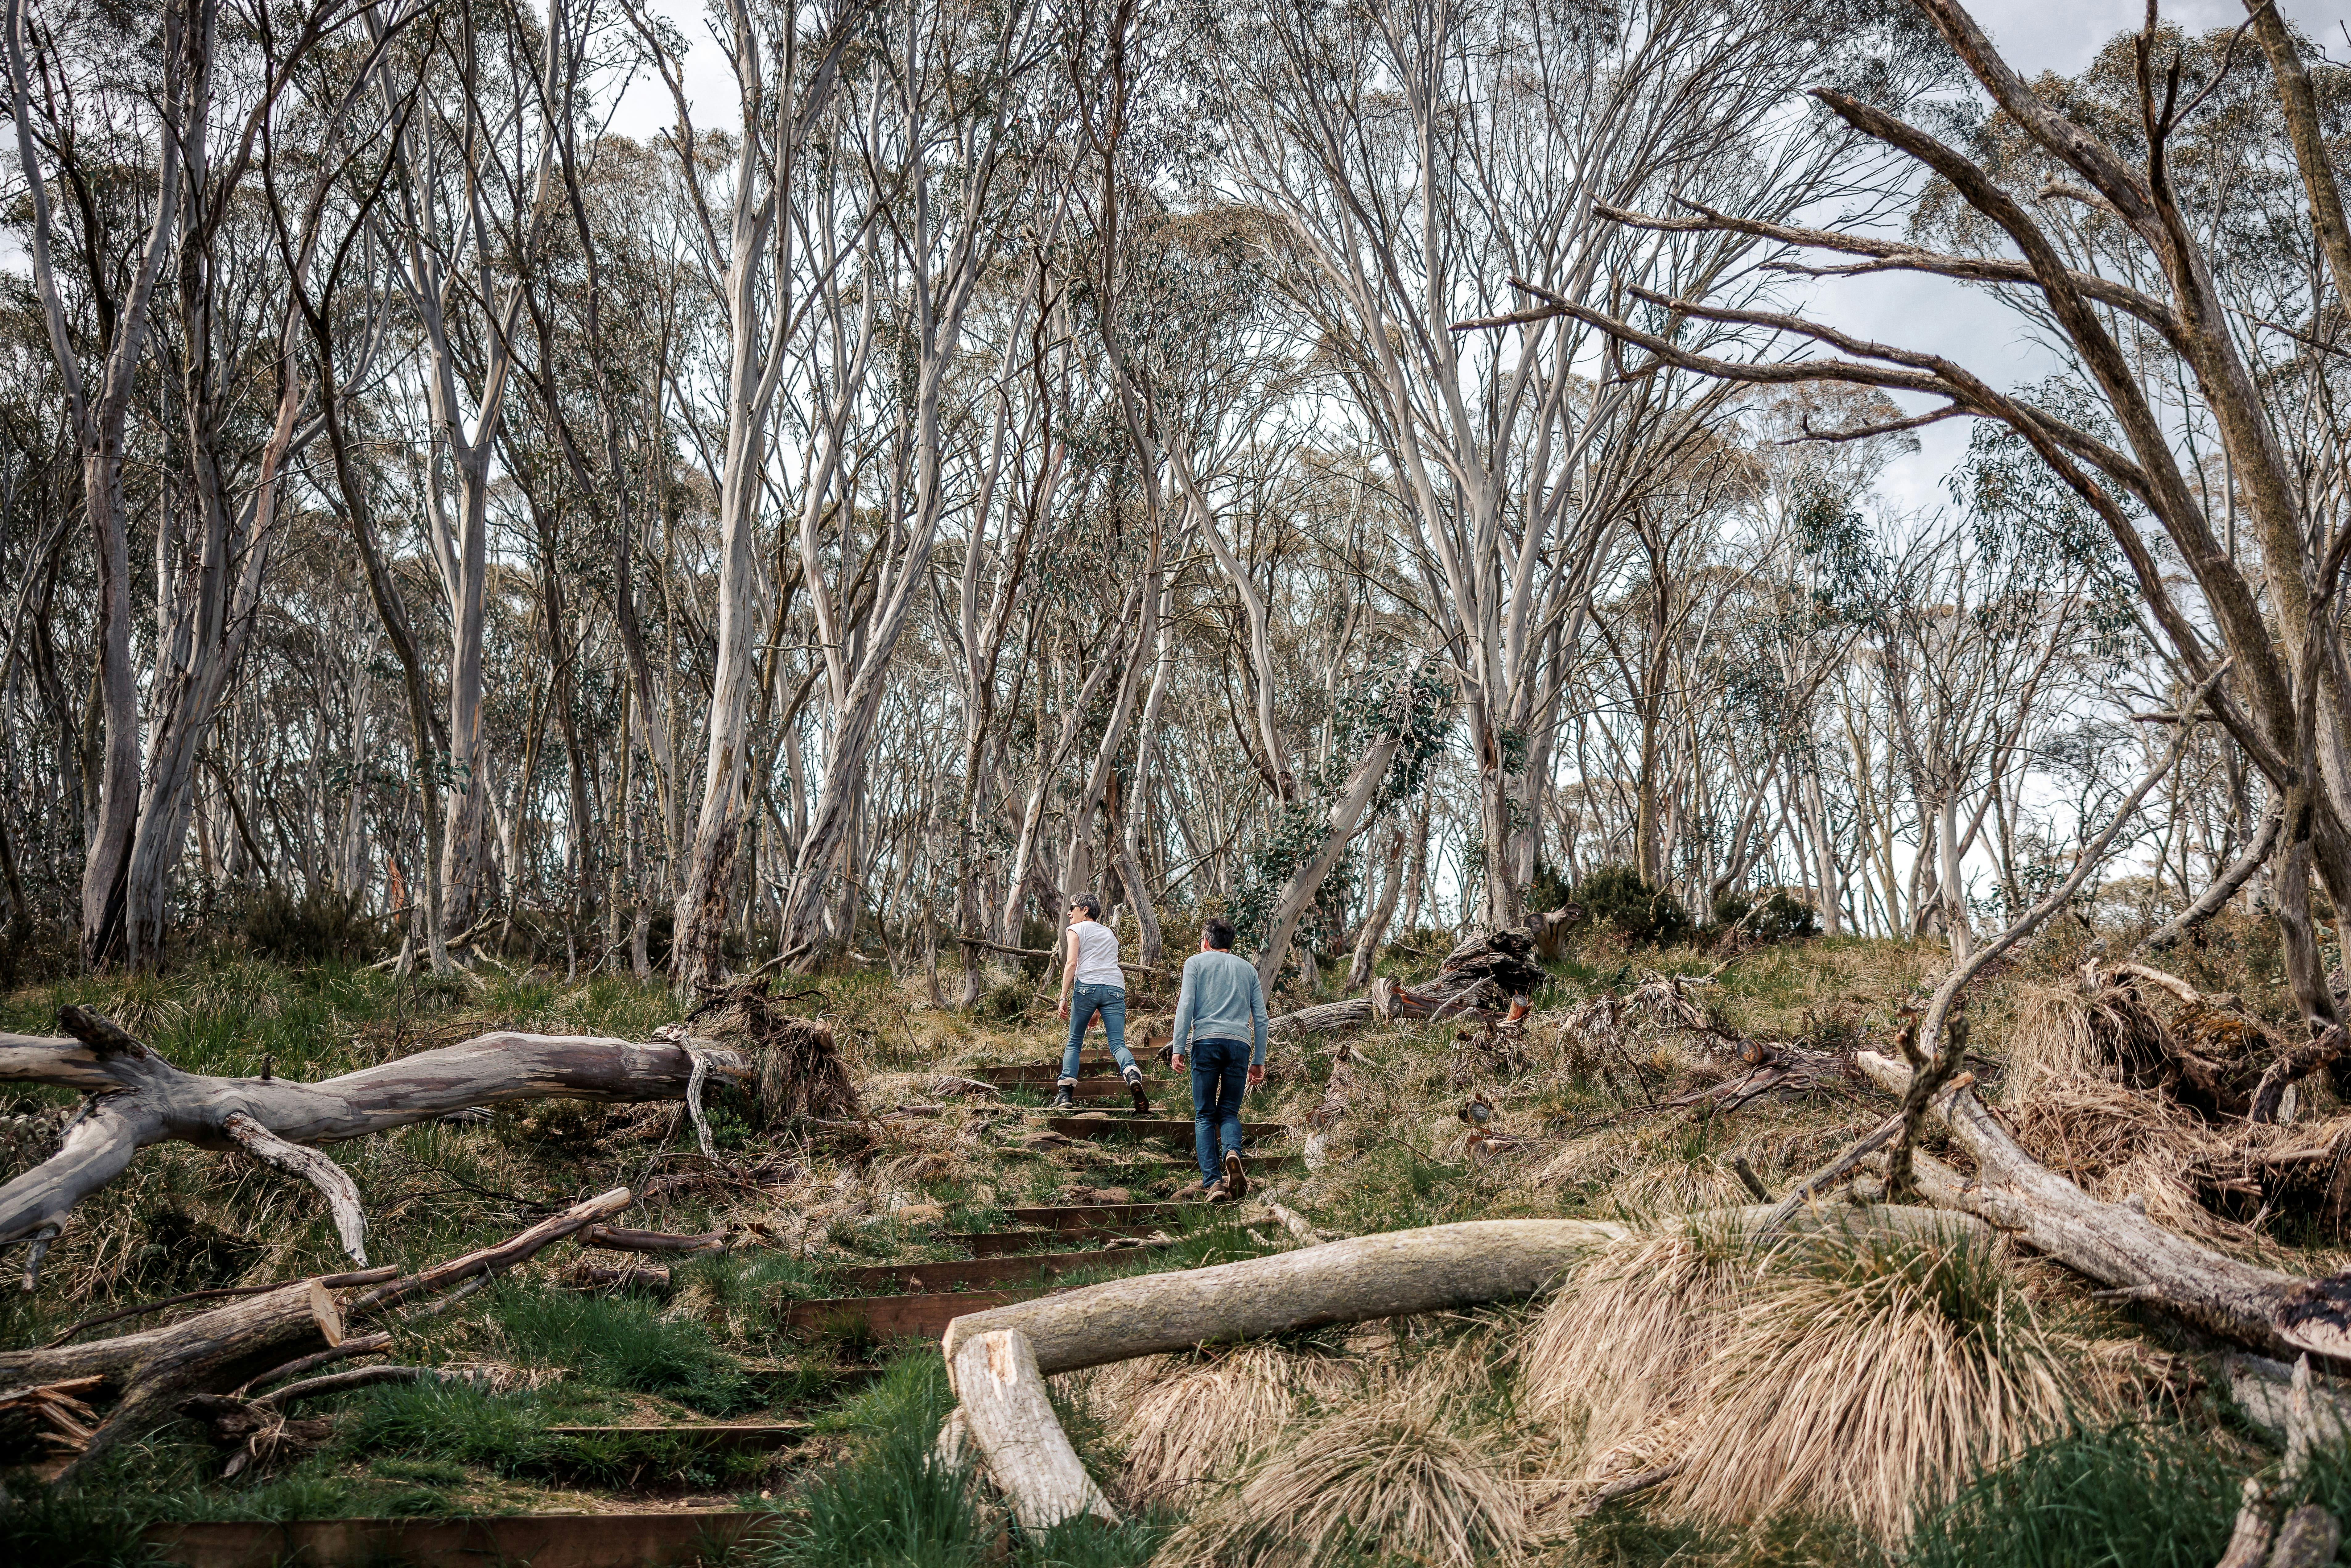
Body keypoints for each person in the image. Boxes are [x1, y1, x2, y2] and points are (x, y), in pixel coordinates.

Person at [1167, 916, 1267, 1202]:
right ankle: (1232, 1152)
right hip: (1239, 1046)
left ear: (1206, 943)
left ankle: (1213, 1183)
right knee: (1229, 1113)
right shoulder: (1248, 969)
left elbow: (1185, 1006)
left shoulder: (1196, 963)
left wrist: (1178, 1048)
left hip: (1207, 1042)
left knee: (1204, 1114)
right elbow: (1261, 1018)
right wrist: (1258, 1060)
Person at [1056, 893, 1148, 1112]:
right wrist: (1097, 1008)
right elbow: (1105, 968)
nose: (1069, 913)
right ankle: (1132, 1073)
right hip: (1115, 989)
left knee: (1074, 1043)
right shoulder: (1110, 933)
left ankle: (1065, 1096)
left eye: (1073, 908)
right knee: (1117, 1044)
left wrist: (1062, 997)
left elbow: (1071, 963)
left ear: (1085, 910)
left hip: (1086, 986)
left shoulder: (1075, 930)